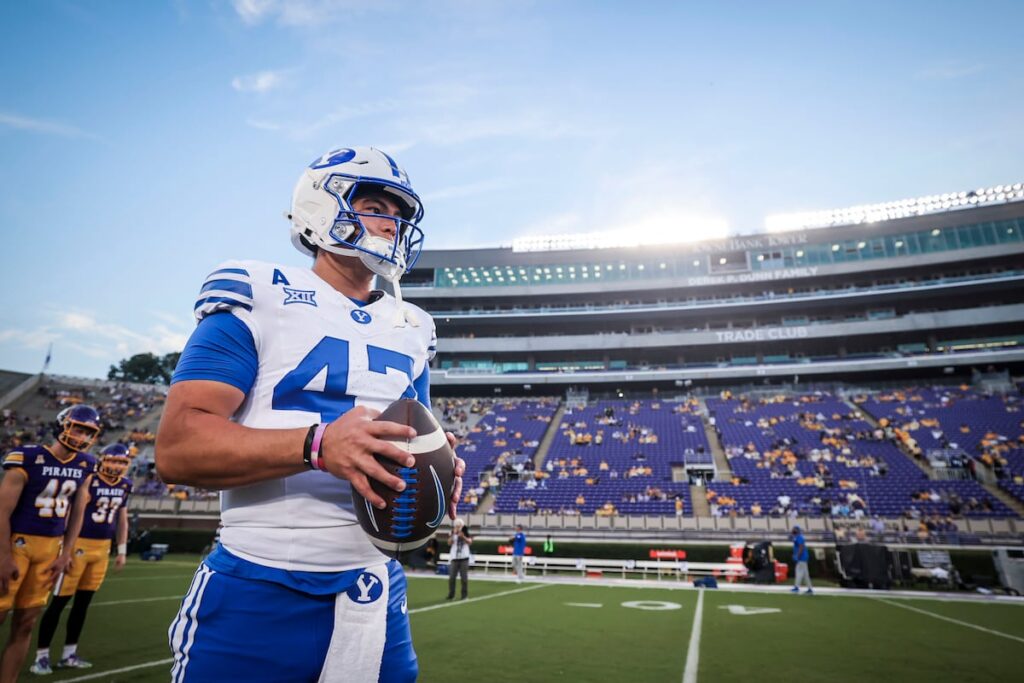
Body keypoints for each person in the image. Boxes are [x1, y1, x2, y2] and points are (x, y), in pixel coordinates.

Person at [156, 147, 465, 682]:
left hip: (375, 591)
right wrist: (317, 444)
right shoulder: (258, 290)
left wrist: (434, 464)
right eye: (375, 205)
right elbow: (179, 447)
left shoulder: (413, 325)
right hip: (261, 579)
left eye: (401, 216)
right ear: (321, 207)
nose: (392, 225)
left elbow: (409, 434)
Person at [0, 406, 98, 682]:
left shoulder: (86, 464)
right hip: (15, 544)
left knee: (26, 624)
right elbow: (2, 511)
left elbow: (78, 511)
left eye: (88, 432)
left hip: (49, 550)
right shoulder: (28, 457)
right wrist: (3, 555)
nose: (81, 436)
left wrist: (66, 553)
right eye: (78, 428)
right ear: (62, 425)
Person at [31, 442, 132, 674]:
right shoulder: (90, 479)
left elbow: (122, 520)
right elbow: (71, 513)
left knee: (82, 605)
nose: (116, 466)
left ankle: (69, 654)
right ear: (102, 459)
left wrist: (122, 550)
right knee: (58, 602)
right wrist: (65, 547)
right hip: (79, 545)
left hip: (102, 549)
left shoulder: (126, 485)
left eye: (121, 461)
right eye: (112, 460)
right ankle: (42, 656)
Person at [446, 519, 472, 600]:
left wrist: (463, 536)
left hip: (464, 558)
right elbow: (449, 543)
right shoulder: (452, 533)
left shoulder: (465, 532)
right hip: (454, 558)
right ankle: (451, 594)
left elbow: (470, 542)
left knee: (464, 578)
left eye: (459, 525)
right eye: (456, 525)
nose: (458, 527)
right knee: (452, 578)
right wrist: (453, 535)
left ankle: (464, 595)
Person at [790, 525, 813, 595]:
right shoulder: (797, 537)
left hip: (801, 558)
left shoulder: (799, 537)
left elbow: (801, 547)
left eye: (794, 529)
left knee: (799, 572)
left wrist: (797, 556)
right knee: (805, 574)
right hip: (803, 558)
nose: (793, 530)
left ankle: (797, 587)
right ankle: (809, 588)